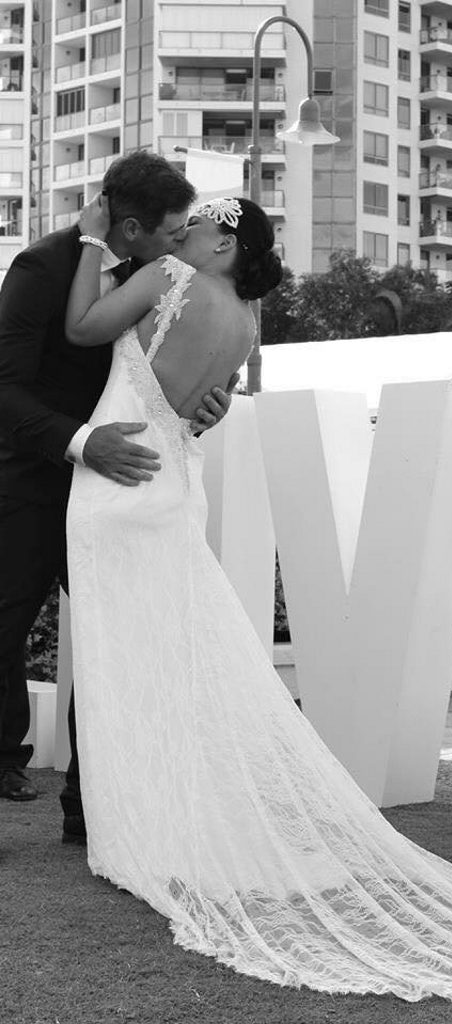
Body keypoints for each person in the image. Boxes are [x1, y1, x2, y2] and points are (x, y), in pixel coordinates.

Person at [64, 194, 452, 1002]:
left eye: (200, 223)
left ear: (224, 240)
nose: (185, 231)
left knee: (123, 662)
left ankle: (137, 832)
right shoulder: (247, 322)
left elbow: (81, 329)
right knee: (176, 659)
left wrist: (90, 238)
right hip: (172, 489)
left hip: (112, 488)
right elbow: (201, 411)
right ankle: (158, 823)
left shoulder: (167, 275)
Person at [0, 152, 233, 843]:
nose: (178, 243)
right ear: (129, 228)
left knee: (113, 640)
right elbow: (4, 388)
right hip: (31, 482)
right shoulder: (41, 268)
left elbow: (158, 373)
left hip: (118, 485)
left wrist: (202, 405)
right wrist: (79, 441)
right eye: (168, 232)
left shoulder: (158, 277)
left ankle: (91, 810)